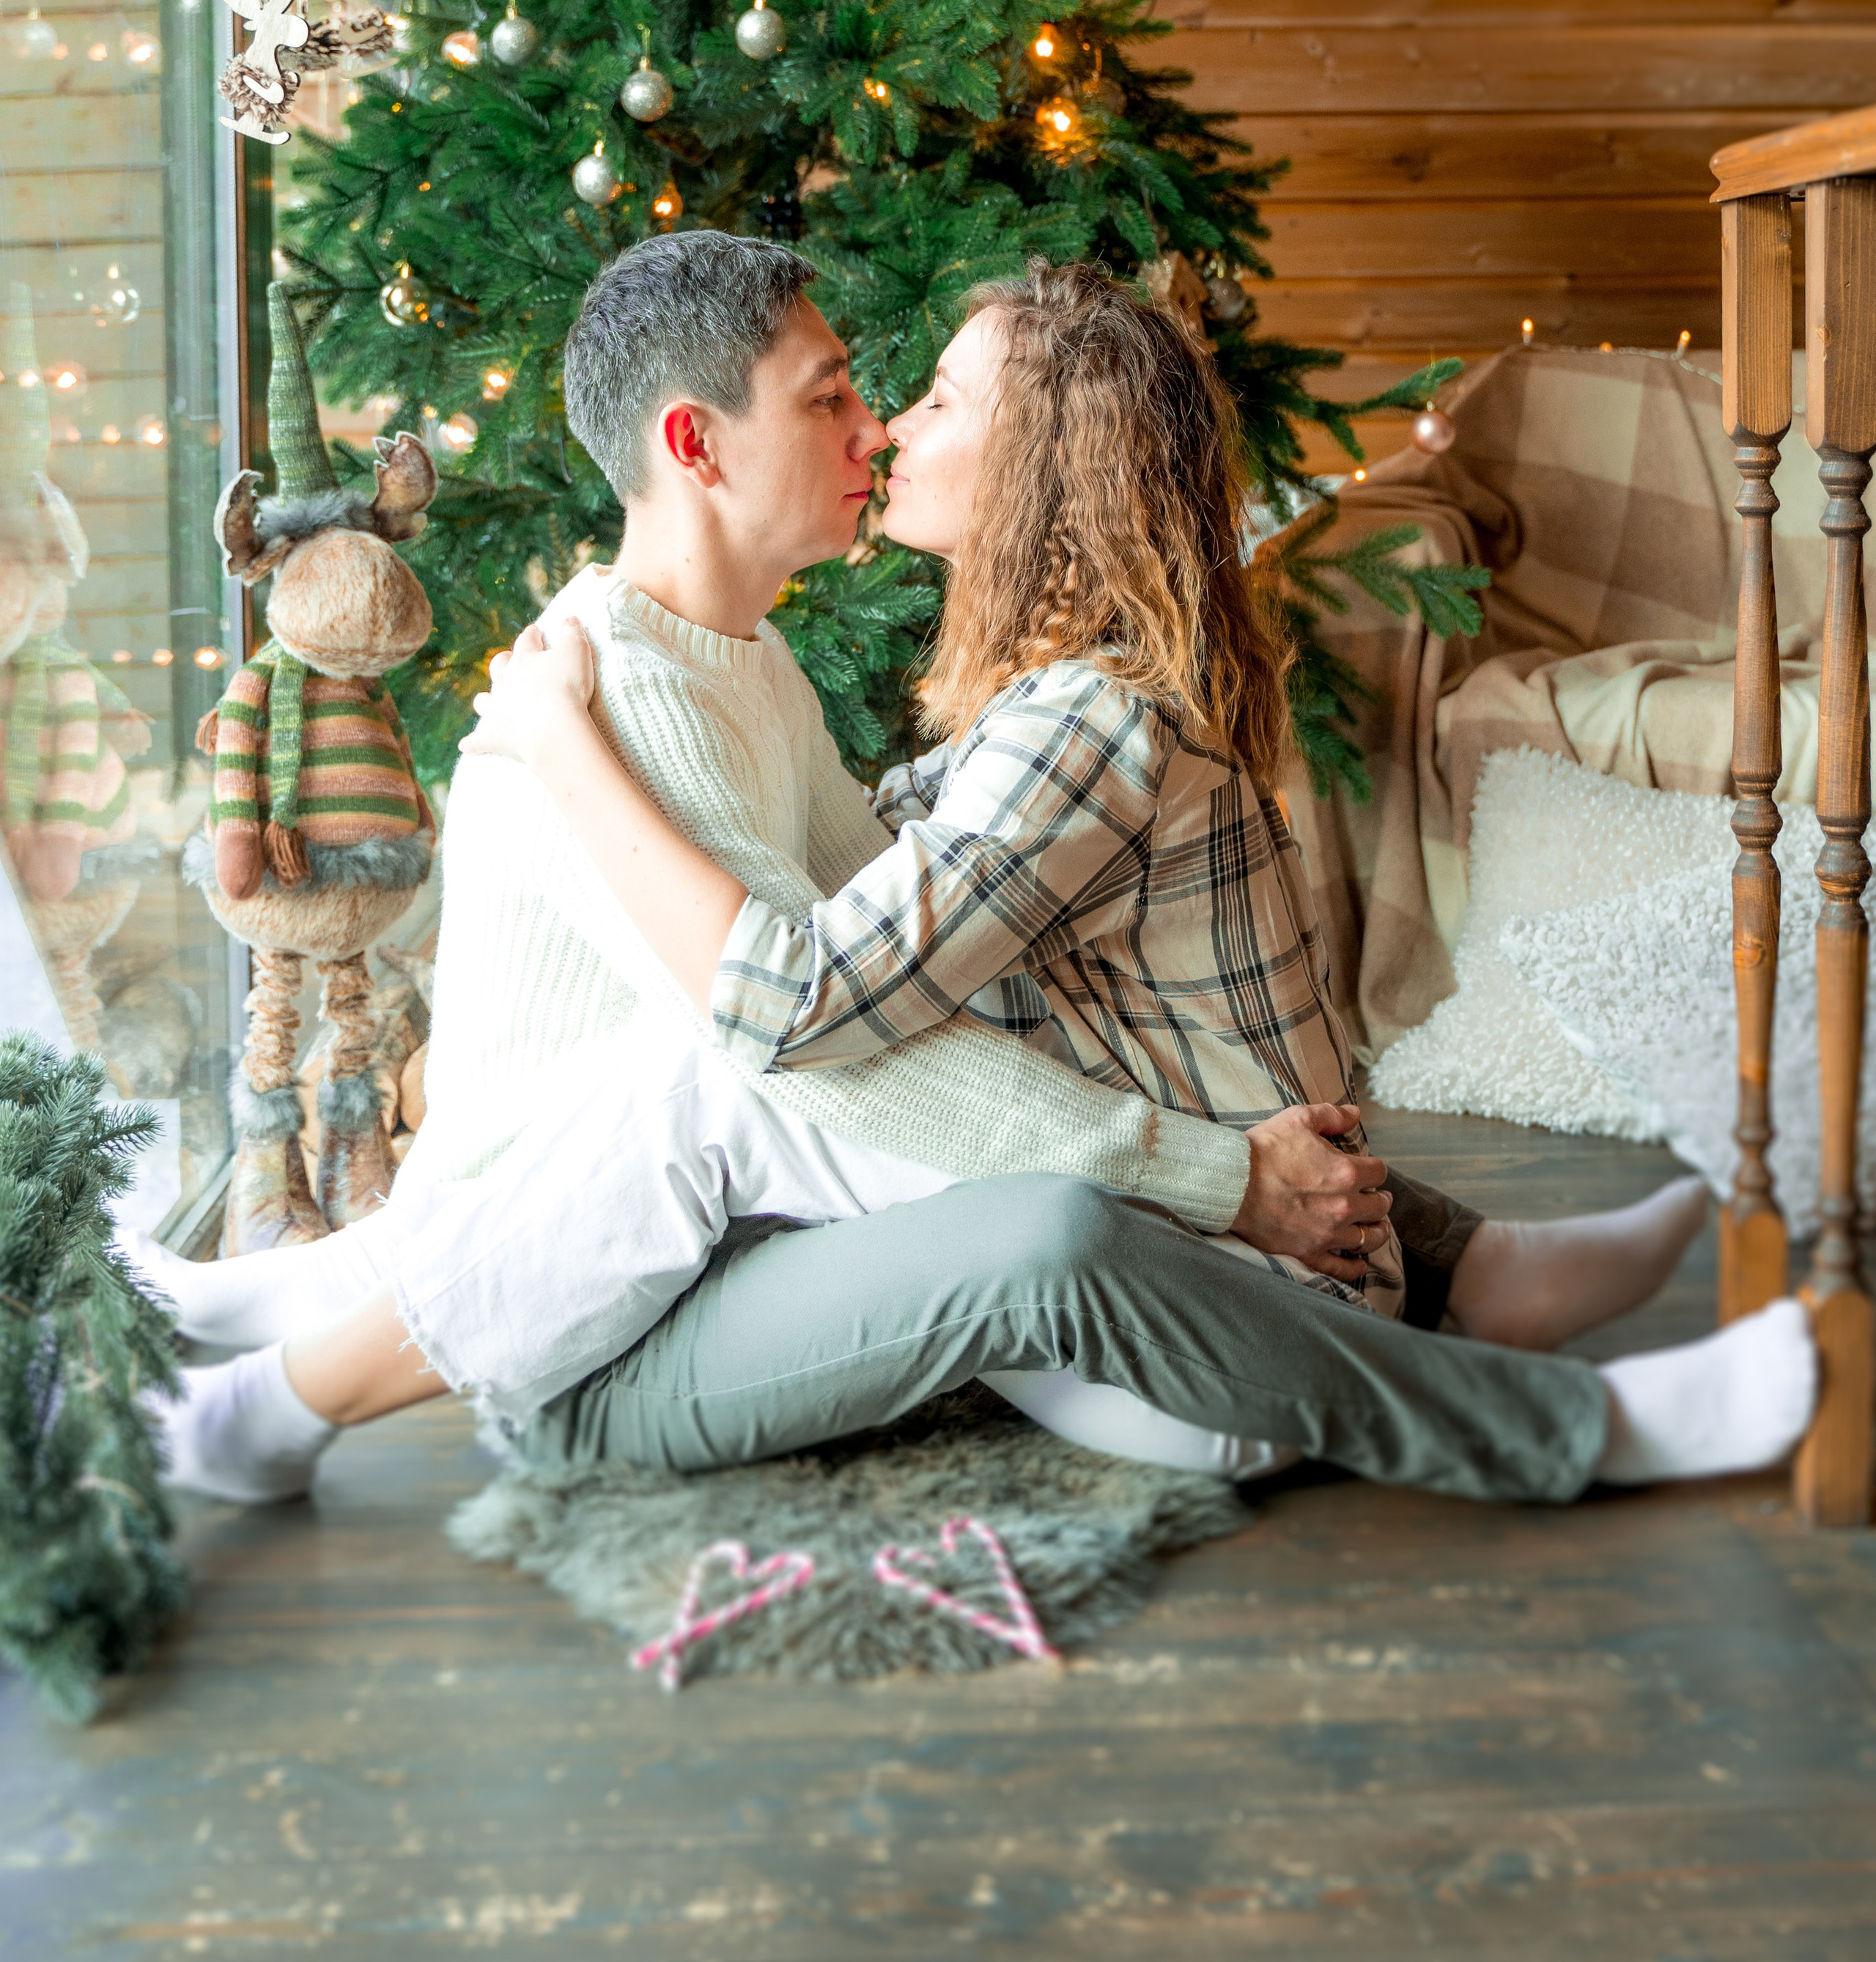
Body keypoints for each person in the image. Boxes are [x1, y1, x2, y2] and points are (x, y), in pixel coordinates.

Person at [146, 254, 1794, 1510]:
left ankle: (270, 1388)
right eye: (852, 395)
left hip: (1190, 1296)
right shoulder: (676, 682)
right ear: (694, 443)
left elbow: (824, 988)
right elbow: (811, 1005)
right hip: (615, 1319)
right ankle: (273, 1370)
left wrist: (1228, 1181)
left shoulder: (900, 698)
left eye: (925, 399)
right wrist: (1223, 1174)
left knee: (798, 1096)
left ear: (1034, 473)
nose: (881, 428)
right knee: (768, 1096)